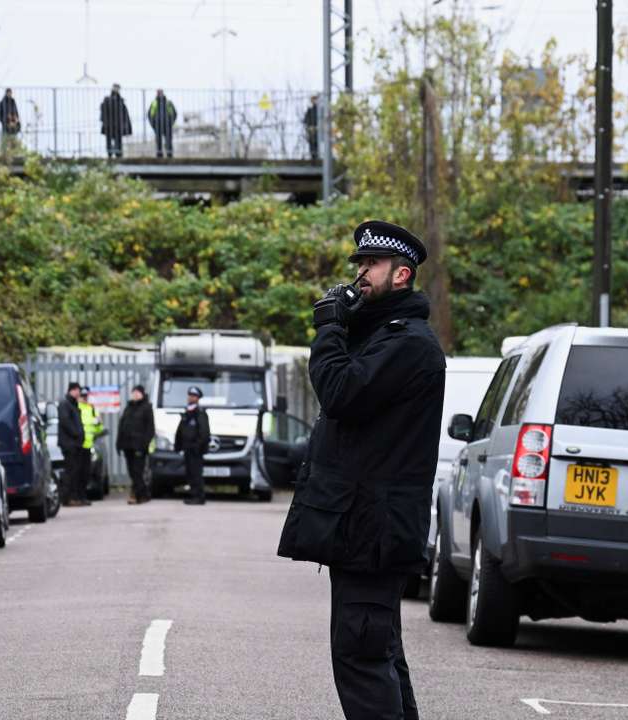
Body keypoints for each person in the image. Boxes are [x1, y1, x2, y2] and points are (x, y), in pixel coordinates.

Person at [277, 220, 445, 720]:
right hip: (365, 528)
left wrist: (330, 329)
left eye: (371, 264)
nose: (360, 274)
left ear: (402, 275)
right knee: (378, 651)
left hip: (374, 531)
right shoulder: (383, 337)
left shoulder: (409, 344)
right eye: (359, 264)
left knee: (362, 655)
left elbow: (341, 392)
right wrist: (346, 325)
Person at [117, 384, 155, 504]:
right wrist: (118, 443)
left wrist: (144, 444)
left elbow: (150, 429)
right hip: (128, 446)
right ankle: (144, 494)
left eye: (138, 392)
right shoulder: (128, 408)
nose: (135, 394)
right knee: (132, 472)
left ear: (142, 394)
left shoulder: (147, 408)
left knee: (137, 471)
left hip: (139, 446)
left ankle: (136, 495)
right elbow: (122, 426)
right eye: (134, 392)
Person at [174, 386, 210, 505]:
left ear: (198, 398)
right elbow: (181, 430)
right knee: (189, 473)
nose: (191, 397)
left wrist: (197, 446)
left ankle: (199, 496)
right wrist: (178, 445)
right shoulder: (187, 412)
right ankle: (193, 495)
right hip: (187, 449)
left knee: (196, 474)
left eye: (194, 396)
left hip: (195, 450)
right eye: (190, 395)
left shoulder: (199, 413)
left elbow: (204, 432)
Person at [58, 382, 90, 507]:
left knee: (78, 472)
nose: (79, 393)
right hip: (69, 444)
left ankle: (76, 497)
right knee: (71, 472)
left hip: (76, 444)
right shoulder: (65, 404)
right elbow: (66, 422)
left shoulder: (73, 404)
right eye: (77, 390)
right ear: (72, 390)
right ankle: (69, 497)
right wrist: (77, 434)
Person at [79, 386, 107, 500]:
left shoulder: (92, 409)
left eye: (86, 396)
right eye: (82, 396)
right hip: (77, 445)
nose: (84, 398)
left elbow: (99, 428)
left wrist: (99, 423)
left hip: (89, 445)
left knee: (87, 472)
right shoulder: (75, 408)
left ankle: (83, 495)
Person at [100, 84, 133, 159]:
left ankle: (118, 154)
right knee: (110, 141)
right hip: (109, 125)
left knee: (118, 141)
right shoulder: (107, 100)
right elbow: (103, 112)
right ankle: (110, 154)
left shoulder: (120, 101)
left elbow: (125, 115)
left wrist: (126, 125)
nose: (116, 89)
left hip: (117, 125)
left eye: (117, 88)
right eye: (115, 88)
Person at [148, 89, 177, 158]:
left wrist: (170, 123)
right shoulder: (154, 103)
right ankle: (159, 155)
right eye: (158, 93)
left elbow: (174, 113)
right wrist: (154, 125)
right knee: (158, 141)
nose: (160, 94)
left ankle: (169, 154)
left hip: (167, 125)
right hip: (157, 125)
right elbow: (150, 115)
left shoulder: (168, 102)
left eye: (160, 92)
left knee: (168, 140)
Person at [0, 88, 20, 153]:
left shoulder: (13, 102)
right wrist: (4, 121)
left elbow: (16, 113)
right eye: (9, 92)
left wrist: (16, 121)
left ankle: (14, 153)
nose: (10, 94)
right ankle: (3, 154)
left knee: (14, 142)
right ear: (6, 93)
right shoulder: (2, 103)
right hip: (5, 125)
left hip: (13, 126)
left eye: (10, 93)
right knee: (4, 142)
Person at [304, 94, 319, 160]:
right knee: (312, 146)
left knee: (318, 146)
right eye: (313, 99)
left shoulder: (321, 111)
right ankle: (313, 158)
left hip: (319, 132)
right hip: (312, 132)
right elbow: (306, 121)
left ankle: (317, 157)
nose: (314, 101)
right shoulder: (310, 110)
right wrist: (310, 128)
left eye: (315, 99)